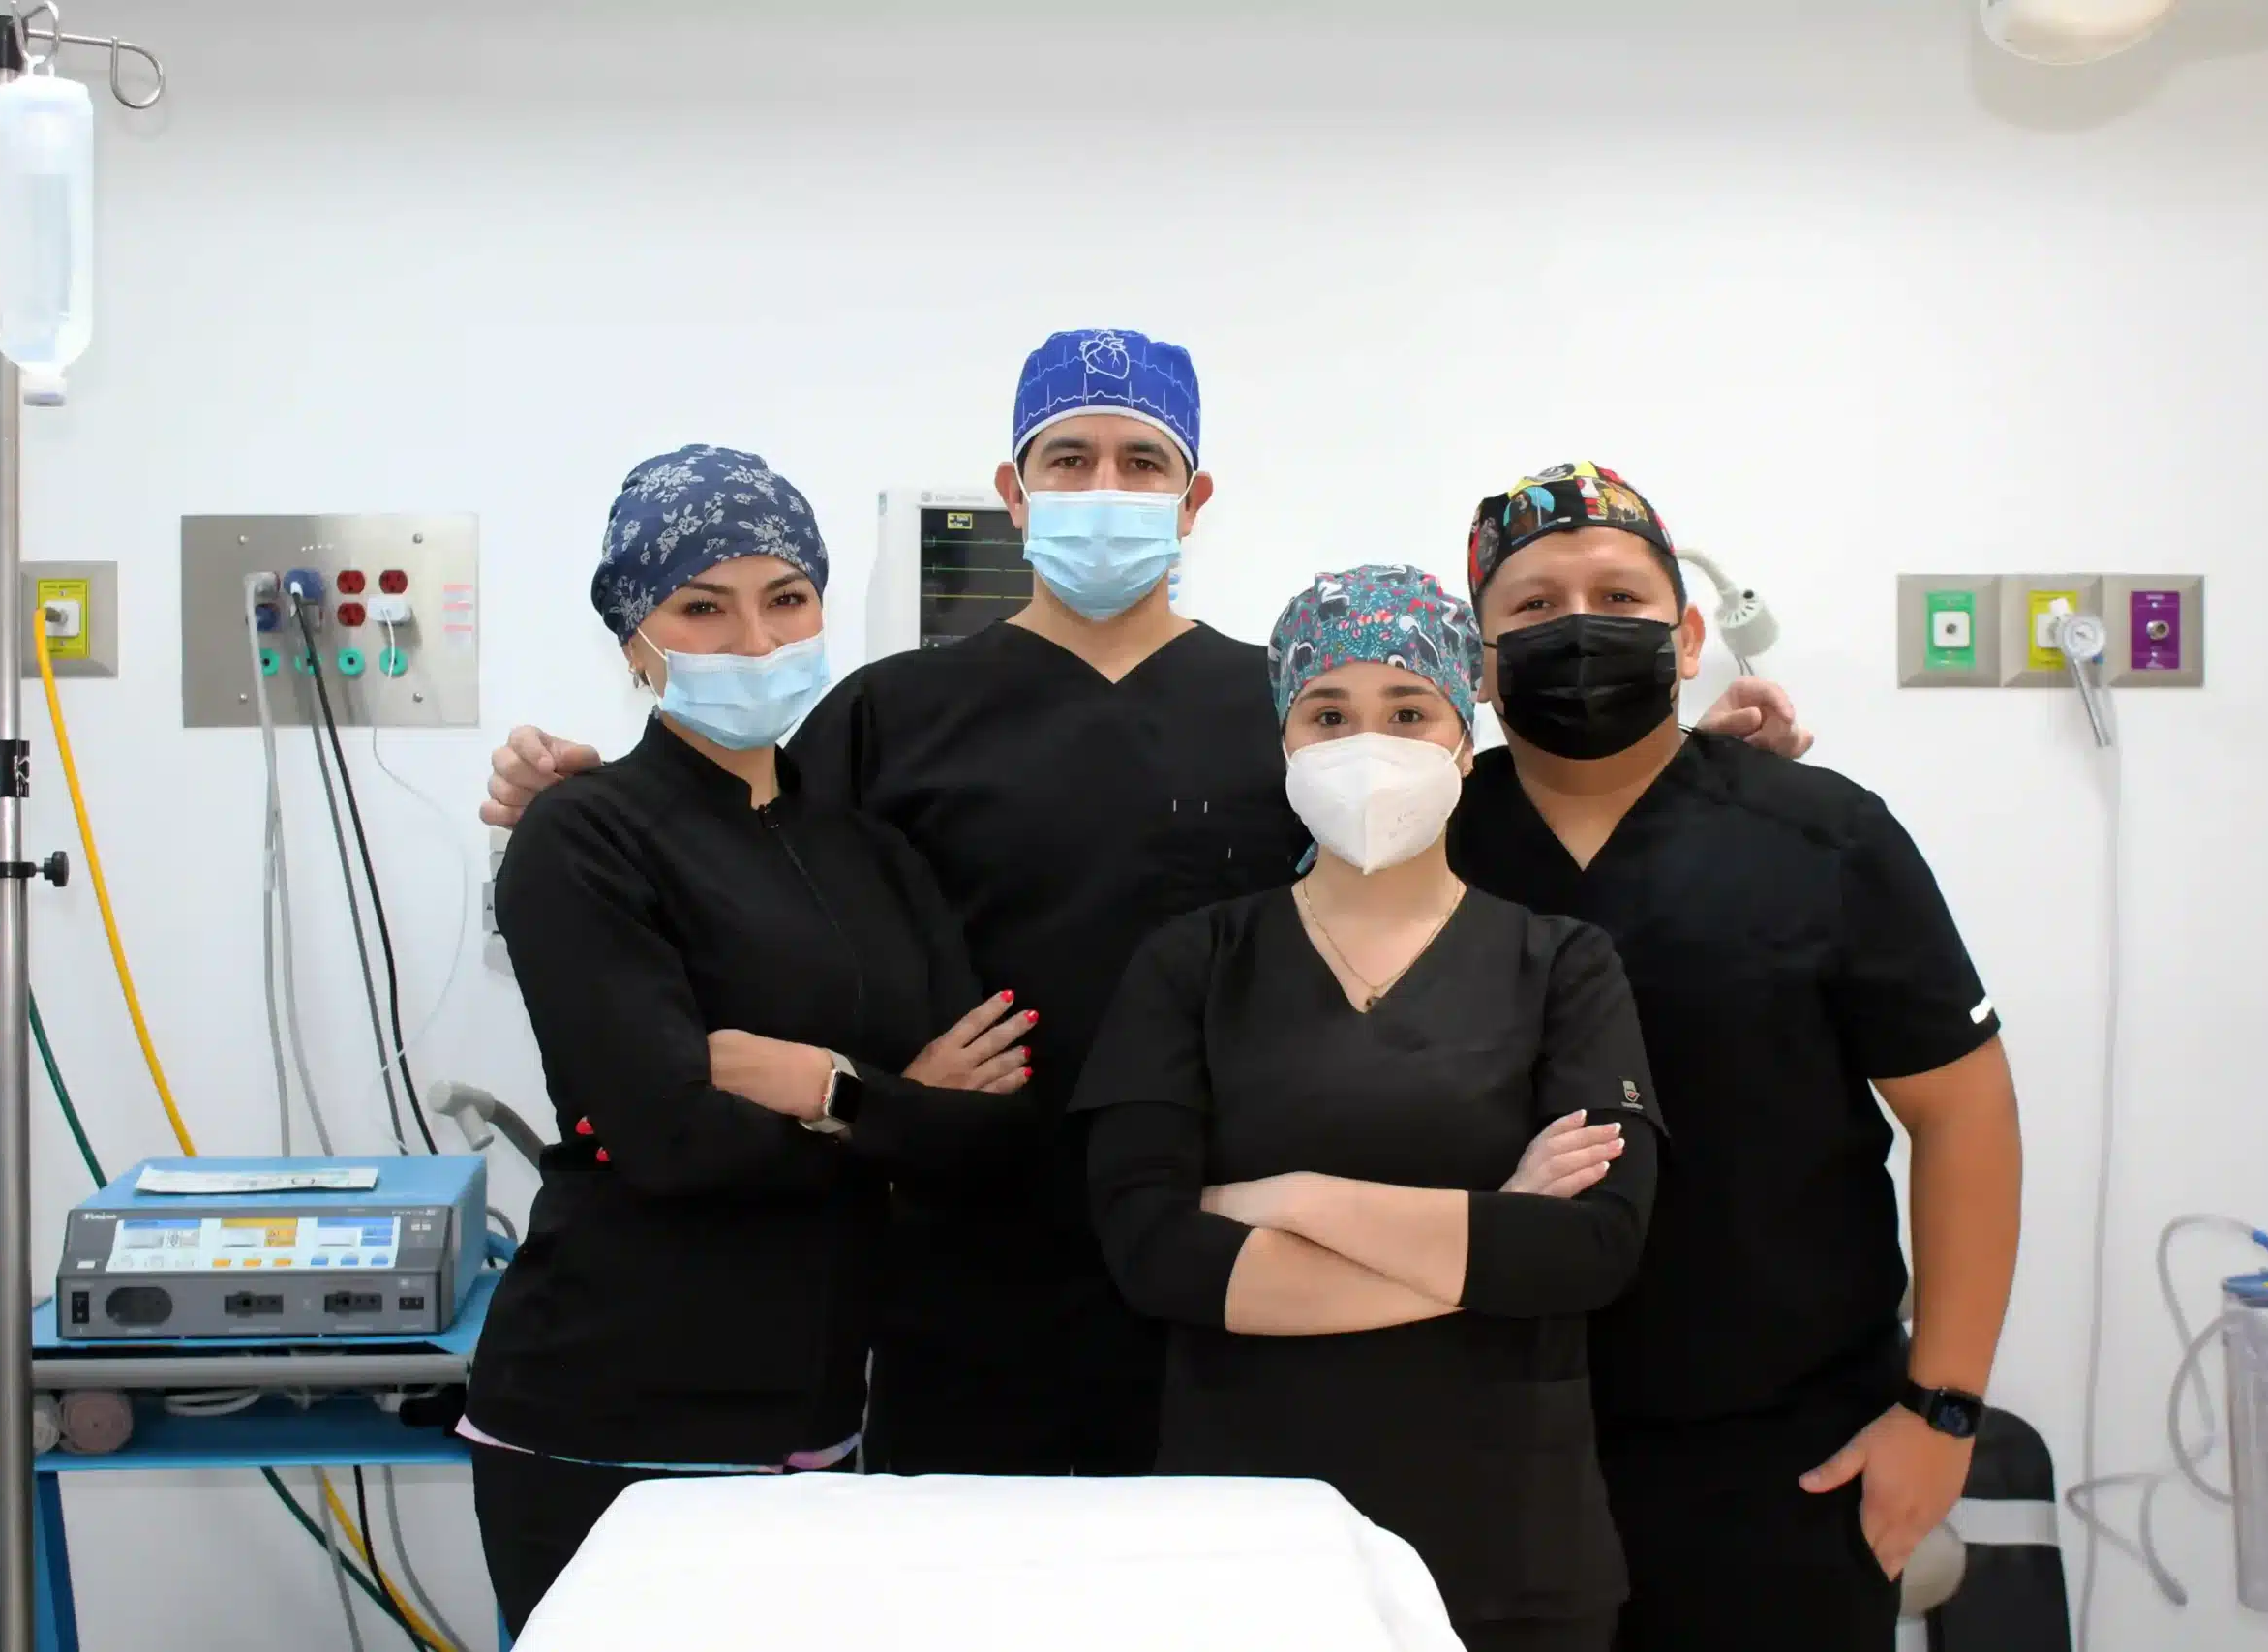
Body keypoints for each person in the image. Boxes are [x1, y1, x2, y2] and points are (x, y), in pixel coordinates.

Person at [475, 332, 1811, 1476]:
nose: (1103, 488)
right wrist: (572, 791)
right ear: (1013, 489)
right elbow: (744, 860)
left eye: (1140, 461)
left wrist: (1691, 769)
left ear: (1194, 492)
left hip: (1230, 1252)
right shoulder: (890, 712)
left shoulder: (1297, 708)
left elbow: (1472, 842)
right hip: (957, 1272)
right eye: (1069, 460)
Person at [1445, 463, 2023, 1652]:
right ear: (1481, 657)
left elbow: (1964, 1115)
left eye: (1618, 593)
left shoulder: (1820, 834)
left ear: (1690, 630)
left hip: (1779, 1464)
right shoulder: (1419, 842)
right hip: (1466, 1445)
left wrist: (1942, 1412)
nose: (1580, 626)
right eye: (1534, 606)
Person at [465, 445, 1034, 1635]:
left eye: (786, 598)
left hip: (817, 1417)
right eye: (701, 608)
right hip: (609, 1420)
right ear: (635, 640)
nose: (757, 638)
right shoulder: (583, 840)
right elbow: (669, 1139)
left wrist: (813, 1083)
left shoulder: (872, 854)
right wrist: (893, 1100)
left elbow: (989, 1128)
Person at [1074, 566, 1664, 1652]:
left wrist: (1295, 1199)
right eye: (1328, 714)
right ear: (1284, 741)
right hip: (1245, 1543)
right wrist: (1486, 1244)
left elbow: (1589, 1249)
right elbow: (1155, 1255)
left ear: (1461, 737)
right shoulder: (1194, 963)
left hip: (1504, 1546)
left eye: (1406, 711)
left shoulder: (1562, 964)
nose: (1367, 742)